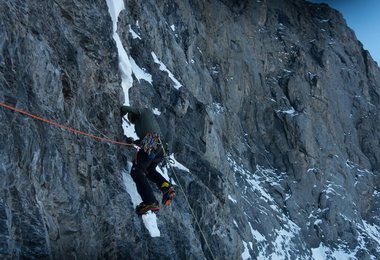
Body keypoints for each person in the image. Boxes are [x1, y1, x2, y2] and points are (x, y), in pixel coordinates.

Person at [121, 105, 175, 215]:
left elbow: (127, 108)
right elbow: (144, 141)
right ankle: (166, 187)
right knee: (149, 171)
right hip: (160, 147)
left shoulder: (142, 111)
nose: (131, 121)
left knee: (137, 171)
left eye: (130, 118)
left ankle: (150, 201)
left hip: (152, 142)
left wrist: (119, 113)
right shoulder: (142, 123)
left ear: (133, 115)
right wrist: (133, 142)